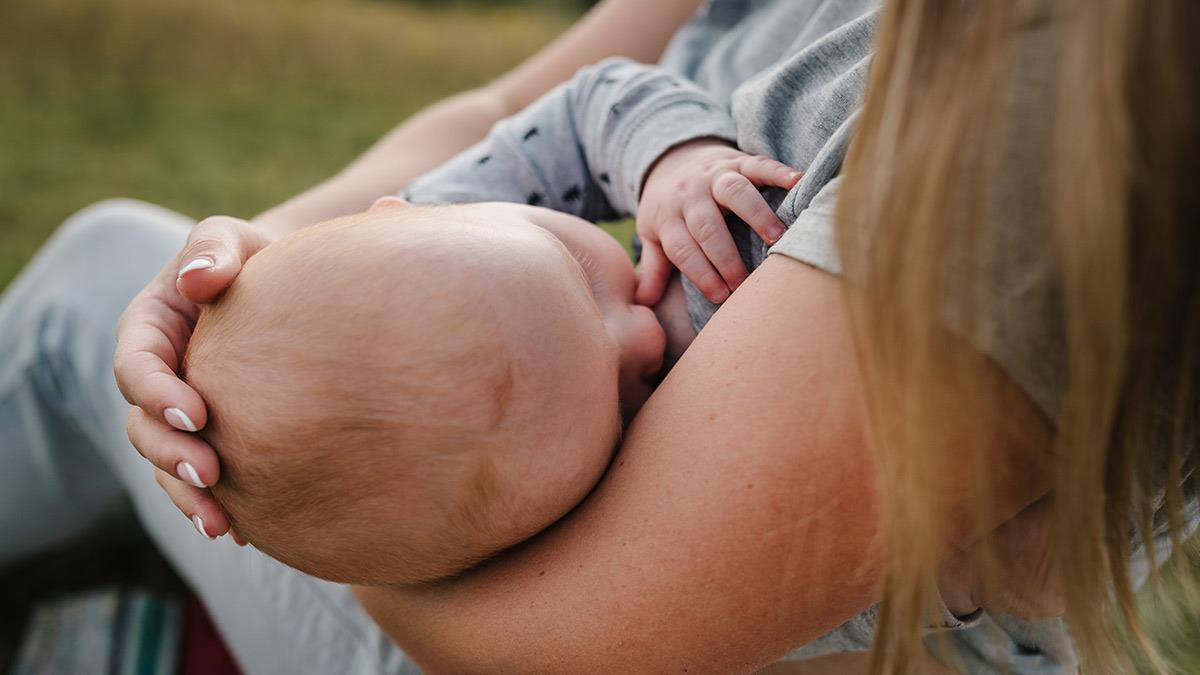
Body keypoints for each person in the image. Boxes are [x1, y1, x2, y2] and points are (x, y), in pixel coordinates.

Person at [3, 2, 1194, 675]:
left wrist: (669, 156)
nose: (641, 324)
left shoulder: (1044, 132)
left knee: (85, 284)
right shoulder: (494, 272)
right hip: (459, 577)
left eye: (629, 388)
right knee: (125, 285)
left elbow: (572, 644)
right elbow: (503, 113)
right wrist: (241, 275)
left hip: (525, 650)